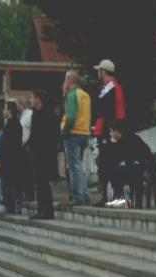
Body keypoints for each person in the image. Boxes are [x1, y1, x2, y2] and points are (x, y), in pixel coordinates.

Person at [92, 59, 126, 206]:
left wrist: (114, 132)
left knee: (110, 164)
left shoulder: (114, 88)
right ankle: (107, 196)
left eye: (99, 71)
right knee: (105, 165)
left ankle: (117, 196)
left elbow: (119, 113)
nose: (97, 73)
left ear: (103, 71)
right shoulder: (106, 89)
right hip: (103, 131)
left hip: (109, 132)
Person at [27, 90, 59, 219]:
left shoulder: (47, 114)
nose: (30, 100)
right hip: (36, 152)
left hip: (44, 153)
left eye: (32, 98)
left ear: (38, 99)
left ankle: (46, 210)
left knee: (43, 182)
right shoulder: (36, 114)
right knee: (39, 183)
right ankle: (42, 209)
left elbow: (49, 135)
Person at [61, 70, 92, 206]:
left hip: (73, 133)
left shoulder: (72, 95)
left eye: (65, 80)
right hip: (84, 133)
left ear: (70, 81)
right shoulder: (85, 95)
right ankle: (86, 197)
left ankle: (78, 198)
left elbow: (71, 116)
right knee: (79, 167)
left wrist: (64, 131)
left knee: (74, 167)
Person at [106, 120, 154, 207]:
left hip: (142, 165)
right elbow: (117, 158)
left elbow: (133, 156)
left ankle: (124, 199)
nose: (110, 134)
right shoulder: (121, 141)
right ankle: (124, 199)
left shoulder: (130, 138)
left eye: (111, 131)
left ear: (116, 131)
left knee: (117, 171)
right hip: (134, 165)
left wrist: (123, 162)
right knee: (114, 171)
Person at [0, 102, 24, 215]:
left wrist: (0, 159)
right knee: (11, 182)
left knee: (10, 183)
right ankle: (11, 205)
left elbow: (6, 144)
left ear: (10, 111)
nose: (3, 111)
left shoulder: (11, 125)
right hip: (13, 159)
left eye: (5, 109)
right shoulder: (15, 124)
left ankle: (11, 205)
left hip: (9, 160)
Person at [17, 97, 35, 202]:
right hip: (21, 146)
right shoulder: (21, 116)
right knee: (23, 172)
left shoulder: (29, 115)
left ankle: (30, 194)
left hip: (27, 145)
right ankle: (26, 193)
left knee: (28, 172)